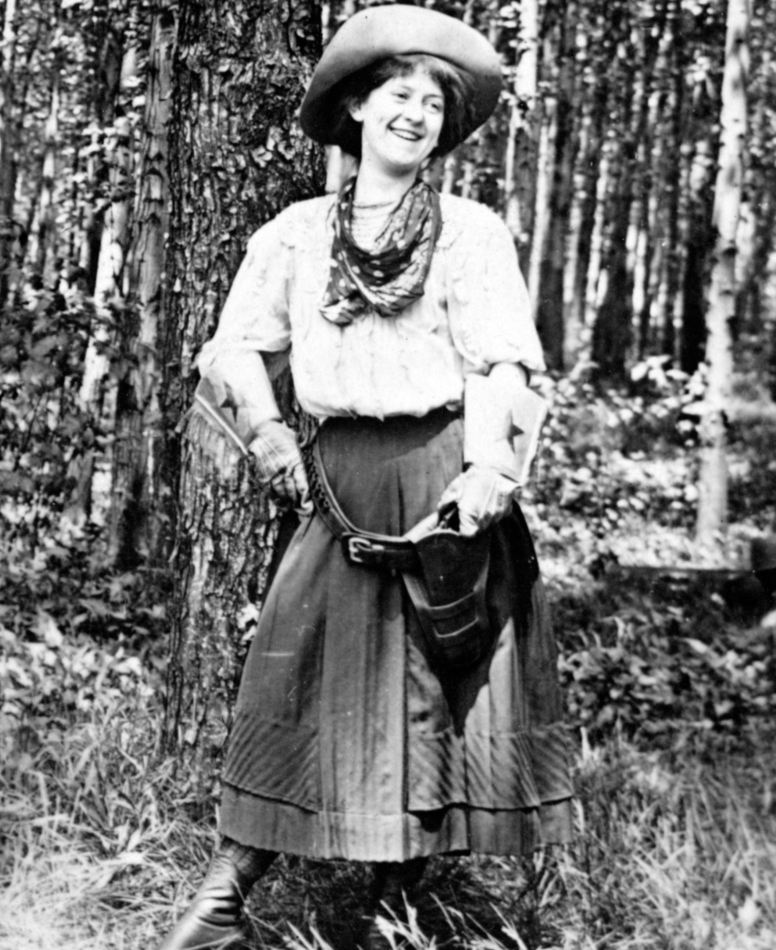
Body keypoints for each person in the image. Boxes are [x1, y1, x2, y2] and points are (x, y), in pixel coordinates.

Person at [158, 7, 573, 950]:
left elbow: (503, 364)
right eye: (398, 95)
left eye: (433, 104)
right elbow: (232, 350)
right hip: (338, 479)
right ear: (356, 107)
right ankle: (223, 904)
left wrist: (490, 471)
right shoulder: (299, 235)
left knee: (433, 691)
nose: (415, 114)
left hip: (443, 477)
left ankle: (395, 911)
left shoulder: (469, 234)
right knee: (290, 680)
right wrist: (269, 436)